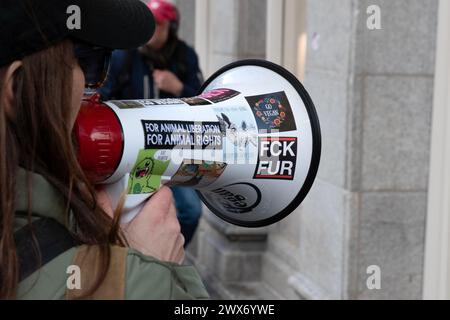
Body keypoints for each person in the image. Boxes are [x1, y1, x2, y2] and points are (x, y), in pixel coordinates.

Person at [0, 0, 208, 300]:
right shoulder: (134, 282)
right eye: (89, 63)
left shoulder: (184, 55)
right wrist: (148, 272)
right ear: (17, 89)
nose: (91, 88)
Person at [99, 0, 203, 246]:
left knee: (190, 211)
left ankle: (165, 257)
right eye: (148, 25)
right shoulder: (124, 55)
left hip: (176, 151)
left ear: (171, 26)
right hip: (133, 153)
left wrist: (178, 88)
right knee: (130, 213)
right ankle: (134, 260)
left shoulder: (185, 56)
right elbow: (103, 96)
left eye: (158, 25)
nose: (152, 31)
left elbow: (205, 102)